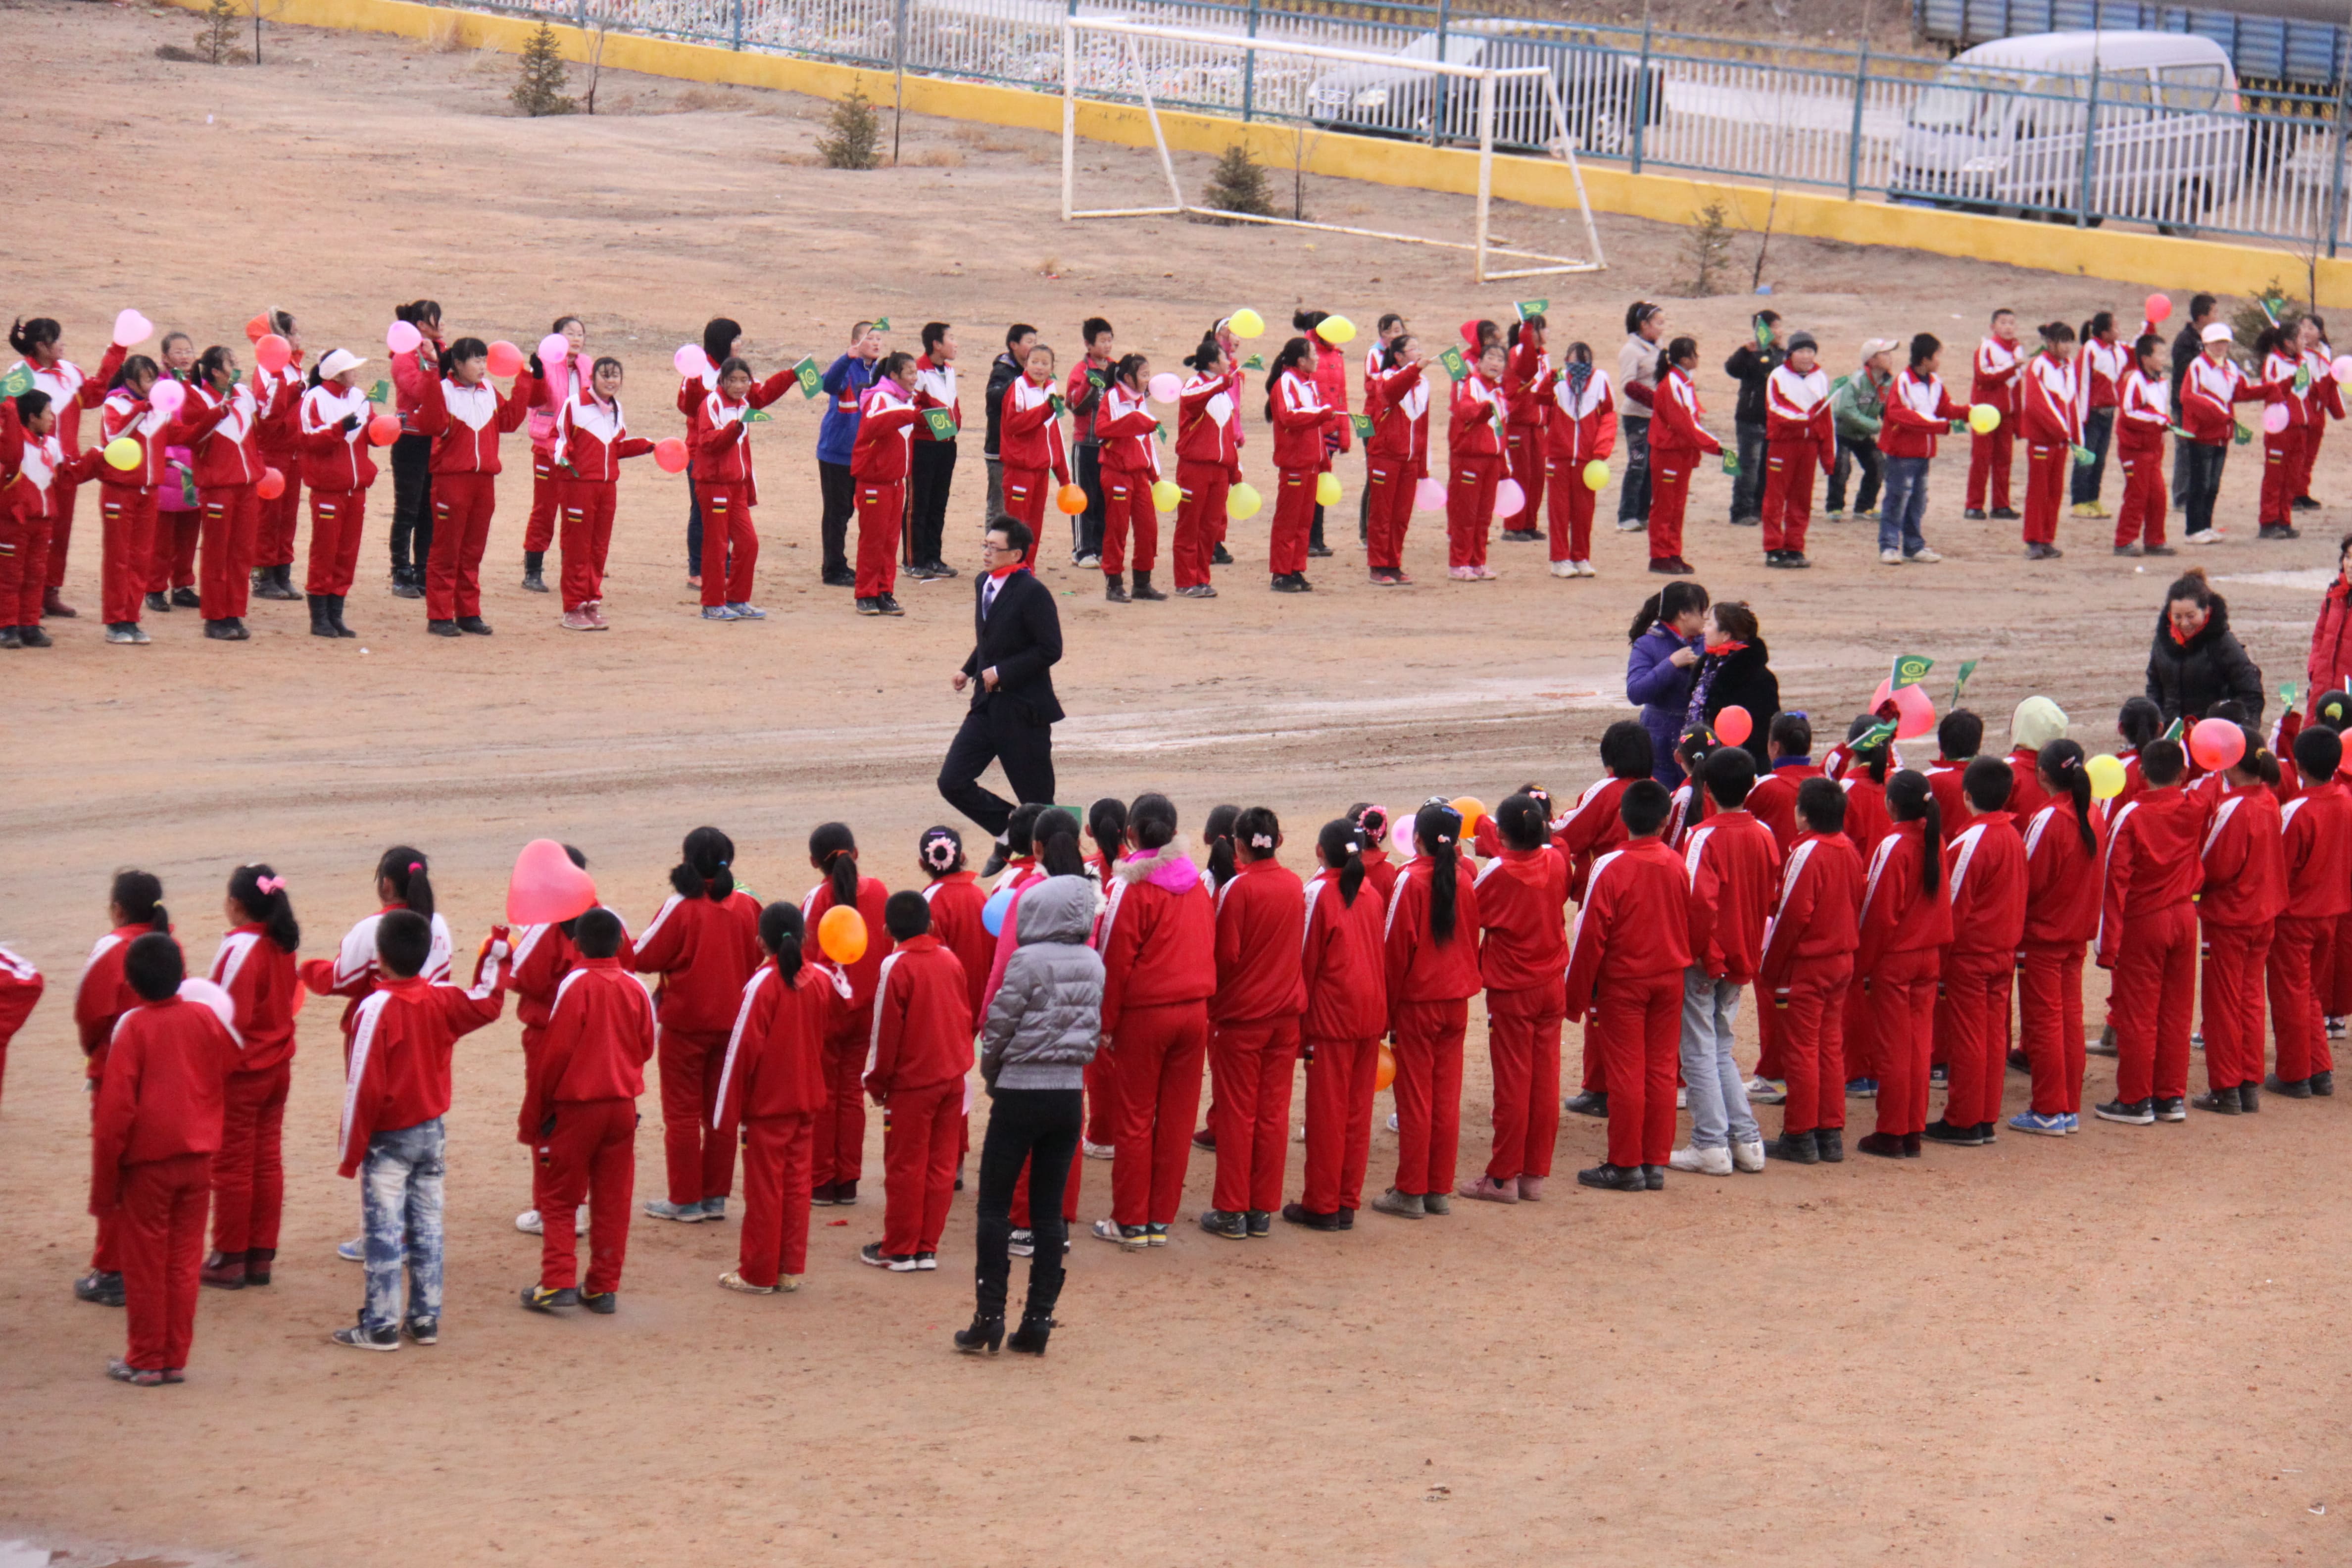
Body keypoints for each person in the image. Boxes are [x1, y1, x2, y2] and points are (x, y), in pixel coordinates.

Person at [333, 912, 507, 1350]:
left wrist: (350, 1153)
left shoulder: (374, 1009)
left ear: (380, 957)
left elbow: (363, 1089)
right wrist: (496, 951)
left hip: (389, 1140)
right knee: (428, 1229)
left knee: (385, 1233)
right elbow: (487, 1002)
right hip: (432, 1132)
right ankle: (425, 1318)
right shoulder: (441, 998)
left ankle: (381, 1324)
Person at [90, 933, 241, 1384]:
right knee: (182, 1259)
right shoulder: (203, 1016)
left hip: (149, 1164)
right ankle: (173, 1356)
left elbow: (115, 1114)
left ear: (132, 984)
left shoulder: (133, 1027)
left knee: (146, 1263)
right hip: (198, 1158)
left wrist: (104, 1187)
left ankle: (146, 1357)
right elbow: (229, 1061)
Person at [962, 873, 1101, 1356]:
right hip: (1067, 1096)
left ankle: (989, 1315)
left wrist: (993, 1072)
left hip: (1021, 1090)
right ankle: (1038, 1319)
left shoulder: (1026, 959)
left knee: (994, 1206)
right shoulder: (1093, 961)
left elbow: (999, 1025)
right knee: (1048, 1214)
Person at [518, 906, 655, 1314]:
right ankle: (602, 1287)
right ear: (619, 944)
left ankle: (558, 1279)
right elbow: (647, 1044)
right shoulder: (635, 987)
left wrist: (536, 1113)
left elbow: (555, 1053)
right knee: (613, 1198)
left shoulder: (575, 984)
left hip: (578, 1107)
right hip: (622, 1106)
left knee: (561, 1197)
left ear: (576, 944)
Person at [1093, 793, 1214, 1248]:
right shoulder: (1197, 882)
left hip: (1147, 1015)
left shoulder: (1129, 884)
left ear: (1131, 833)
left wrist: (1106, 1022)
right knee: (1177, 1120)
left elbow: (1113, 957)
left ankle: (1130, 1219)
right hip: (1194, 1011)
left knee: (1136, 1118)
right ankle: (1159, 1218)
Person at [633, 827, 763, 1223]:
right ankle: (714, 1197)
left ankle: (686, 1198)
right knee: (722, 1110)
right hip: (733, 1024)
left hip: (686, 1023)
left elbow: (643, 956)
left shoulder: (681, 905)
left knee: (683, 1114)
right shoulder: (747, 905)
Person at [1565, 781, 1690, 1190]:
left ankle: (1625, 1163)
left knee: (1627, 1073)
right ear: (1665, 819)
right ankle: (1654, 1160)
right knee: (1661, 1070)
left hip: (1625, 983)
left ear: (1623, 818)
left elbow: (1590, 936)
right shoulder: (1676, 863)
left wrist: (1576, 995)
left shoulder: (1611, 866)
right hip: (1669, 978)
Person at [714, 903, 838, 1295]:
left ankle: (758, 1272)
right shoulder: (818, 979)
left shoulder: (762, 986)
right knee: (797, 1186)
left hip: (768, 1105)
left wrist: (726, 1114)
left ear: (760, 942)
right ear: (803, 938)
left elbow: (741, 1053)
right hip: (806, 1098)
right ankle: (788, 1268)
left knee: (765, 1189)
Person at [1198, 807, 1305, 1237]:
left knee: (1239, 1115)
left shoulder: (1238, 891)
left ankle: (1231, 1209)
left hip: (1243, 1017)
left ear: (1238, 845)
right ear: (1277, 840)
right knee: (1273, 1114)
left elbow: (1225, 956)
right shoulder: (1296, 884)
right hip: (1284, 1016)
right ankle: (1261, 1208)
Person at [1670, 747, 1775, 1176]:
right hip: (1742, 954)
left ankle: (1711, 1143)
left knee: (1699, 1048)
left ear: (1707, 789)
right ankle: (1746, 1140)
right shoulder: (1765, 833)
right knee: (1720, 1046)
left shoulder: (1704, 836)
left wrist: (1697, 955)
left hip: (1707, 957)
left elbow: (1699, 902)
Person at [1376, 801, 1482, 1217]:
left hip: (1419, 1004)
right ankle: (1438, 1187)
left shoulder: (1410, 881)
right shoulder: (1465, 880)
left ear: (1416, 839)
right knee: (1445, 1096)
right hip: (1455, 1001)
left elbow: (1395, 951)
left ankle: (1411, 1190)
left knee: (1416, 1099)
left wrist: (1387, 1012)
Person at [1463, 794, 1568, 1203]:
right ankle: (1534, 1174)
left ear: (1504, 834)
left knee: (1513, 1084)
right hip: (1550, 983)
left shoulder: (1499, 874)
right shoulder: (1557, 862)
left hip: (1513, 990)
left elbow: (1471, 911)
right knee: (1545, 1080)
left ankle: (1504, 1175)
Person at [861, 891, 973, 1271]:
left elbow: (885, 1034)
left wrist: (876, 1083)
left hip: (913, 1083)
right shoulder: (950, 960)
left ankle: (900, 1247)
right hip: (952, 1077)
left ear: (888, 929)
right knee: (941, 1165)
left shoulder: (896, 966)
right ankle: (926, 1247)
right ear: (930, 925)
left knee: (906, 1165)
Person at [200, 865, 300, 1291]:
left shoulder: (240, 947)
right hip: (277, 1066)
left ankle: (230, 1256)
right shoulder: (281, 942)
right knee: (266, 1160)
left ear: (236, 905)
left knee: (234, 1166)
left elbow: (225, 1018)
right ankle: (260, 1254)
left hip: (243, 1073)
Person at [940, 519, 1064, 861]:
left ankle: (1064, 865)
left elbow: (1050, 649)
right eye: (984, 545)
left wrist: (1002, 672)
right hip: (986, 707)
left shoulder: (1033, 592)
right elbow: (990, 638)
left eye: (994, 548)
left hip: (1024, 711)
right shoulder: (983, 582)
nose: (986, 553)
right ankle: (1011, 831)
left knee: (1042, 806)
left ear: (1016, 554)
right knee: (952, 782)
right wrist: (969, 670)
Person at [2095, 737, 2203, 1126]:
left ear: (2140, 774)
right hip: (2184, 916)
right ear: (2183, 773)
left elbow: (2114, 878)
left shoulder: (2133, 815)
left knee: (2139, 1013)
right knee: (2176, 1012)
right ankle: (2170, 1097)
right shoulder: (2195, 806)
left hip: (2145, 921)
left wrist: (2107, 947)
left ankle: (2136, 1099)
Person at [1286, 819, 1388, 1228]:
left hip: (1332, 1016)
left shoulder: (1319, 893)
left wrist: (1299, 1022)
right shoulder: (1371, 893)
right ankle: (1345, 1200)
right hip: (1368, 1012)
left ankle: (1323, 1204)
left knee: (1328, 1113)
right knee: (1356, 1112)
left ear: (1319, 851)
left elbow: (1305, 960)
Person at [1757, 778, 1863, 1163]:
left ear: (1803, 814)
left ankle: (1800, 1133)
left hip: (1808, 965)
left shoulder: (1808, 852)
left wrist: (1770, 967)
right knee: (1829, 1047)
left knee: (1802, 1050)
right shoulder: (1849, 849)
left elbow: (1791, 915)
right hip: (1841, 961)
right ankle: (1829, 1132)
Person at [1924, 759, 2027, 1145]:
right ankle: (1983, 1117)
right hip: (2002, 951)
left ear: (1966, 796)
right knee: (1993, 1036)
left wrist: (1940, 960)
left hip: (1972, 956)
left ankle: (1965, 1119)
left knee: (1968, 1037)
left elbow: (1951, 907)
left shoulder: (1969, 842)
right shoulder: (2013, 835)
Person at [409, 336, 534, 637]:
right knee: (446, 550)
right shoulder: (443, 391)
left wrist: (526, 379)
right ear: (459, 364)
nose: (482, 366)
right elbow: (429, 424)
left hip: (484, 481)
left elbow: (510, 421)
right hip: (452, 481)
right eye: (476, 360)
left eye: (483, 359)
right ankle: (439, 615)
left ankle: (468, 612)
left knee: (473, 550)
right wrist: (430, 373)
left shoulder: (489, 389)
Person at [7, 314, 126, 619]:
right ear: (40, 345)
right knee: (26, 534)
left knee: (60, 532)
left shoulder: (72, 372)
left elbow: (96, 394)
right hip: (31, 468)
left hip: (66, 466)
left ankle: (49, 592)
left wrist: (118, 350)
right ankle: (21, 596)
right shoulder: (18, 375)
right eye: (57, 340)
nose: (63, 345)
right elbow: (6, 419)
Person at [801, 823, 894, 1206]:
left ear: (813, 862)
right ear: (855, 853)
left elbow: (805, 958)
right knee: (852, 1095)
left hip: (828, 1009)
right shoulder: (879, 892)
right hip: (867, 1008)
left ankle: (822, 1180)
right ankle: (848, 1180)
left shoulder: (818, 898)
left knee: (824, 1094)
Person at [2195, 729, 2284, 1116]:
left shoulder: (2234, 807)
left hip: (2230, 917)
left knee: (2223, 1004)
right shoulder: (2269, 801)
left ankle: (2226, 1087)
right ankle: (2247, 1082)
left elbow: (2213, 865)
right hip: (2262, 913)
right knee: (2249, 1000)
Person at [547, 356, 655, 631]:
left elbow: (616, 447)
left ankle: (591, 602)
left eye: (616, 375)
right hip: (578, 486)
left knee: (598, 547)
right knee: (577, 548)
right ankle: (572, 608)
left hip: (608, 488)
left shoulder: (616, 408)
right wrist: (563, 460)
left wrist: (647, 446)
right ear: (592, 378)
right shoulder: (574, 405)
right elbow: (558, 439)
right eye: (605, 375)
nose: (611, 380)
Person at [687, 354, 794, 622]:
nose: (739, 385)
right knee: (717, 544)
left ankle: (737, 599)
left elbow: (742, 449)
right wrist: (735, 428)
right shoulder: (712, 403)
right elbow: (709, 443)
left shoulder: (745, 404)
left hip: (736, 486)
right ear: (722, 381)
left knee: (748, 543)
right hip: (714, 485)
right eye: (733, 380)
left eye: (744, 380)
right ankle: (712, 603)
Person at [2270, 725, 2348, 1096]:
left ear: (2299, 765)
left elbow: (2279, 870)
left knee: (2291, 994)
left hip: (2295, 917)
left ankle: (2295, 1073)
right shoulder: (2347, 800)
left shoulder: (2295, 810)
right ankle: (2319, 1068)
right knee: (2310, 992)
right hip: (2331, 913)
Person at [0, 389, 102, 648]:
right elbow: (10, 453)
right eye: (47, 412)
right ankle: (6, 626)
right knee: (10, 577)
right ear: (32, 417)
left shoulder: (52, 445)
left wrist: (95, 458)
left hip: (43, 522)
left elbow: (68, 477)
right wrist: (9, 407)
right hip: (15, 522)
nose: (52, 417)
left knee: (36, 575)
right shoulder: (12, 445)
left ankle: (30, 625)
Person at [177, 344, 265, 640]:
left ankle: (234, 613)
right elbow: (193, 438)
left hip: (247, 484)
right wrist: (217, 412)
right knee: (217, 553)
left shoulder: (244, 395)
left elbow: (260, 427)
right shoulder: (197, 396)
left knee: (242, 553)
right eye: (231, 363)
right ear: (215, 371)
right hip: (218, 487)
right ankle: (215, 617)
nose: (237, 367)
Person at [849, 350, 922, 617]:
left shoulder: (906, 402)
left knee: (891, 541)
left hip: (895, 483)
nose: (915, 378)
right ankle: (865, 594)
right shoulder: (880, 397)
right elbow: (873, 427)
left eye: (916, 372)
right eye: (910, 373)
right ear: (894, 375)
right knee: (873, 540)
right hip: (873, 482)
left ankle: (884, 592)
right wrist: (908, 412)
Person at [1174, 333, 1245, 596]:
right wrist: (1220, 385)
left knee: (1209, 529)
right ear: (1213, 364)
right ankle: (1185, 581)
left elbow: (1228, 437)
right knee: (1189, 525)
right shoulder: (1195, 384)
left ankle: (1201, 578)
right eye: (1224, 358)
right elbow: (1190, 400)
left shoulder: (1223, 393)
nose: (1229, 361)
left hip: (1219, 471)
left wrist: (1234, 472)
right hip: (1195, 467)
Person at [2179, 323, 2265, 544]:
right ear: (2206, 344)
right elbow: (2188, 397)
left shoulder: (2231, 367)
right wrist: (2216, 412)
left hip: (2222, 433)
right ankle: (2194, 529)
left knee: (2213, 484)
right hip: (2202, 435)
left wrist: (2270, 389)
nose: (2220, 347)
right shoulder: (2198, 366)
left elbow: (2240, 392)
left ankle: (2206, 526)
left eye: (2224, 343)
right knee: (2200, 483)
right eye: (2216, 343)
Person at [1267, 335, 1340, 593]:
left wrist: (1323, 461)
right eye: (1313, 354)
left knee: (1303, 522)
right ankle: (1281, 573)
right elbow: (1289, 417)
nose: (1318, 358)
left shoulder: (1307, 384)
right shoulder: (1286, 383)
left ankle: (1296, 569)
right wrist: (1321, 414)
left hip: (1310, 463)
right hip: (1295, 463)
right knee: (1288, 521)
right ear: (1301, 360)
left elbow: (1316, 429)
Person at [2146, 566, 2264, 726]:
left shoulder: (2223, 643)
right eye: (2177, 617)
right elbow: (2154, 686)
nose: (2185, 623)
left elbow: (2251, 692)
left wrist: (2241, 730)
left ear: (2206, 611)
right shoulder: (2162, 641)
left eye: (2191, 616)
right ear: (2169, 614)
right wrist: (2156, 723)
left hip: (2212, 732)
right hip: (2171, 731)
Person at [1093, 353, 1168, 603]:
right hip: (1117, 473)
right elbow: (1101, 431)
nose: (1148, 380)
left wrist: (1155, 477)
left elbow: (1147, 442)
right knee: (1117, 529)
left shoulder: (1140, 401)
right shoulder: (1113, 397)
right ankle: (1114, 583)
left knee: (1149, 528)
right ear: (1128, 377)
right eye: (1144, 375)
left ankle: (1142, 583)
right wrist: (1133, 421)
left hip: (1139, 474)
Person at [520, 315, 587, 594]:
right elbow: (534, 401)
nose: (576, 338)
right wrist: (535, 376)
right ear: (556, 338)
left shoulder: (588, 367)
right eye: (570, 333)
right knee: (545, 509)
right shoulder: (543, 365)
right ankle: (533, 571)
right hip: (548, 447)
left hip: (578, 449)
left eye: (581, 334)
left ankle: (572, 570)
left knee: (576, 511)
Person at [817, 320, 884, 586]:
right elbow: (828, 385)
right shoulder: (846, 367)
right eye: (870, 338)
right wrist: (847, 358)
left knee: (853, 510)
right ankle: (833, 568)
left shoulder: (879, 372)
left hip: (864, 453)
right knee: (837, 511)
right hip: (836, 451)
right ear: (856, 343)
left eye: (879, 338)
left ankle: (848, 563)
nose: (877, 343)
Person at [1646, 336, 1720, 576]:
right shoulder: (1672, 385)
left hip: (1681, 452)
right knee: (1665, 506)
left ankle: (1673, 553)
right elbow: (1685, 425)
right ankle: (1659, 556)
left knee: (1677, 506)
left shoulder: (1684, 382)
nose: (1698, 358)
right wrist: (1714, 446)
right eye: (1695, 354)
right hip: (1669, 453)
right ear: (1686, 359)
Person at [675, 315, 739, 590]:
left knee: (724, 510)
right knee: (702, 512)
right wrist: (692, 382)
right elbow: (686, 406)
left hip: (728, 452)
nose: (740, 344)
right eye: (736, 339)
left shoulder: (734, 371)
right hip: (699, 453)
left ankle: (722, 565)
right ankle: (697, 569)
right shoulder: (698, 370)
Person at [1759, 331, 1831, 569]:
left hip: (1808, 446)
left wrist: (1828, 454)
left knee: (1802, 498)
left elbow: (1827, 418)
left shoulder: (1820, 377)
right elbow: (1776, 409)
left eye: (1810, 351)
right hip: (1784, 444)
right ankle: (1773, 547)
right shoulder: (1778, 376)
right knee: (1776, 496)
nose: (1806, 356)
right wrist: (1805, 420)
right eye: (1801, 351)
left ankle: (1795, 546)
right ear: (1791, 353)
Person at [386, 299, 443, 597]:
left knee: (428, 510)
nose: (443, 324)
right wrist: (434, 365)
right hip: (410, 439)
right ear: (422, 326)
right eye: (437, 319)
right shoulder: (404, 357)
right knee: (407, 508)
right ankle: (400, 572)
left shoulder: (441, 352)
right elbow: (421, 391)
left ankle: (423, 569)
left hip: (435, 440)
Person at [1626, 582, 1709, 784]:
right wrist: (1671, 664)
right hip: (1659, 740)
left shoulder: (1707, 642)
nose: (1705, 617)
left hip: (1699, 736)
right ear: (1683, 614)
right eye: (1701, 611)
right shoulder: (1648, 643)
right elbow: (1636, 692)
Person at [1544, 341, 1614, 579]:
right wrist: (1551, 378)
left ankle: (1581, 556)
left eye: (1583, 362)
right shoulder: (1557, 380)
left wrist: (1601, 451)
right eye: (1573, 362)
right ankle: (1560, 559)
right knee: (1559, 511)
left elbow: (1609, 416)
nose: (1578, 367)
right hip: (1559, 456)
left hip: (1587, 459)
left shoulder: (1601, 380)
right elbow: (1538, 398)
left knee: (1584, 511)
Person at [1687, 601, 1777, 768]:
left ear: (1726, 635)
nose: (1704, 630)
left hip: (1740, 766)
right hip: (1703, 758)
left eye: (1710, 624)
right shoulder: (1708, 665)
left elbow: (1762, 735)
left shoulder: (1760, 679)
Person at [2019, 321, 2082, 561]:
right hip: (2043, 441)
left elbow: (2072, 403)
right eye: (2063, 341)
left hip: (2061, 442)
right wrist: (2063, 431)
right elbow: (2038, 406)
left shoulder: (2068, 367)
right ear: (2050, 343)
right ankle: (2033, 540)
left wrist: (2076, 437)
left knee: (2055, 491)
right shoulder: (2039, 366)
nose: (2067, 347)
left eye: (2069, 341)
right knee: (2038, 491)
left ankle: (2047, 538)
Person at [997, 342, 1070, 545]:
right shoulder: (1019, 388)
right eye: (1034, 362)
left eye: (1045, 363)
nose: (1039, 367)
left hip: (1041, 471)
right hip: (1020, 470)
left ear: (1052, 368)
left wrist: (1064, 477)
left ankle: (1027, 569)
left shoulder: (1050, 390)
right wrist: (1046, 410)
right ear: (1026, 364)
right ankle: (1012, 571)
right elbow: (1014, 425)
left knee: (1034, 526)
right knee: (1016, 526)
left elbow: (1054, 434)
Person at [2113, 333, 2175, 557]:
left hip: (2154, 448)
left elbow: (2159, 413)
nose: (2163, 358)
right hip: (2135, 449)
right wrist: (2159, 421)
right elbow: (2129, 414)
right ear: (2146, 358)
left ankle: (2155, 540)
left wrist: (2164, 423)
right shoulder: (2134, 381)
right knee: (2136, 495)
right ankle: (2124, 541)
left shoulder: (2162, 383)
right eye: (2159, 354)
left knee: (2158, 495)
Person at [907, 322, 960, 581]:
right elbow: (910, 407)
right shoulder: (918, 372)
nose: (956, 343)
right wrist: (932, 421)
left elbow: (953, 403)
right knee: (919, 503)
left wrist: (953, 425)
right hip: (924, 445)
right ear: (937, 344)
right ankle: (913, 560)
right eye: (951, 338)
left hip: (946, 444)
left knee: (939, 503)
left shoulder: (949, 370)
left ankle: (933, 557)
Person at [1065, 317, 1118, 567]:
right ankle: (1082, 549)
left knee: (1105, 498)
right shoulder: (1080, 371)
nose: (1107, 346)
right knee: (1084, 497)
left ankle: (1100, 547)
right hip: (1085, 444)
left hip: (1109, 445)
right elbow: (1074, 405)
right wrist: (1089, 382)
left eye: (1110, 340)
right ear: (1089, 344)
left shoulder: (1115, 369)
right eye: (1102, 341)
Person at [1825, 337, 1896, 523]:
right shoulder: (1856, 381)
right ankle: (1835, 507)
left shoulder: (1889, 382)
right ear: (1871, 360)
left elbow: (1886, 407)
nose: (1890, 358)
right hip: (1842, 432)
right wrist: (1874, 426)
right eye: (1885, 354)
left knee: (1877, 465)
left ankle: (1865, 507)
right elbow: (1844, 410)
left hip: (1862, 433)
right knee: (1841, 468)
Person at [1722, 311, 1782, 527]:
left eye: (1779, 326)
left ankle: (1759, 508)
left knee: (1768, 466)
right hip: (1750, 419)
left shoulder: (1782, 355)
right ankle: (1741, 510)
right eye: (1774, 327)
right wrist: (1744, 352)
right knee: (1749, 466)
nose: (1779, 332)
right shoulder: (1751, 352)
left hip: (1773, 420)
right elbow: (1732, 369)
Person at [1964, 307, 2024, 520]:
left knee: (2004, 459)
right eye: (2003, 323)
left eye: (2011, 323)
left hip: (2006, 414)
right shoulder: (1986, 348)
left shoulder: (2018, 350)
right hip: (1985, 414)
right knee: (1981, 459)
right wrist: (2011, 367)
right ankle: (1974, 505)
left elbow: (2017, 387)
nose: (2008, 327)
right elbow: (1983, 376)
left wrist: (2018, 419)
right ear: (1993, 327)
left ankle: (2001, 505)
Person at [1617, 301, 1665, 532]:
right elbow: (1628, 384)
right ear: (1644, 325)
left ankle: (1643, 514)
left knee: (1652, 466)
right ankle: (1626, 516)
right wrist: (1656, 401)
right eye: (1658, 323)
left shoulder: (1659, 349)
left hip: (1656, 417)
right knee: (1638, 463)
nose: (1662, 328)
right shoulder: (1631, 350)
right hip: (1637, 416)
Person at [2255, 324, 2306, 542]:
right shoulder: (2274, 362)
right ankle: (2268, 521)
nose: (2305, 342)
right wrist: (2291, 380)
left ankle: (2285, 520)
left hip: (2299, 427)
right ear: (2289, 342)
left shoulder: (2302, 362)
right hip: (2280, 427)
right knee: (2275, 476)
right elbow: (2271, 389)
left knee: (2292, 477)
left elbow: (2306, 394)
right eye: (2301, 338)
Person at [981, 322, 1036, 523]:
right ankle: (994, 551)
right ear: (1014, 345)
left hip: (1023, 451)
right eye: (1029, 342)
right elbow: (994, 398)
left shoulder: (1031, 373)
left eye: (1035, 342)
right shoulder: (1003, 370)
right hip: (1000, 450)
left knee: (1020, 506)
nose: (1033, 346)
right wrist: (1020, 382)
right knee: (999, 506)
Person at [2168, 292, 2217, 513]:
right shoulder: (2185, 340)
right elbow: (2185, 371)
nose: (2217, 317)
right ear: (2201, 316)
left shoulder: (2208, 341)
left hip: (2202, 405)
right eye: (2214, 312)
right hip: (2183, 405)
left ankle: (2196, 493)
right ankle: (2181, 496)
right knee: (2184, 449)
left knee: (2200, 450)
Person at [2072, 310, 2124, 521]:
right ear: (2105, 332)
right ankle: (2079, 502)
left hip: (2108, 413)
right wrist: (2081, 417)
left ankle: (2093, 499)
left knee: (2100, 459)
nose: (2120, 331)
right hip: (2091, 414)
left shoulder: (2117, 350)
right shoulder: (2090, 350)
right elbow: (2082, 382)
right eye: (2116, 327)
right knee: (2086, 459)